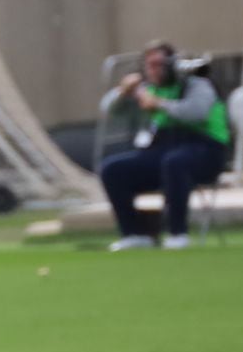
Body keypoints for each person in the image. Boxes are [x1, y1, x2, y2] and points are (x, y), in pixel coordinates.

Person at [98, 40, 231, 251]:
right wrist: (123, 92)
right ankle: (134, 234)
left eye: (159, 64)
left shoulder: (196, 84)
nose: (154, 70)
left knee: (175, 163)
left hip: (205, 149)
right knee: (113, 169)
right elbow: (109, 110)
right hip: (164, 147)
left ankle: (177, 233)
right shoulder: (148, 87)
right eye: (150, 65)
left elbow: (196, 112)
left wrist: (160, 104)